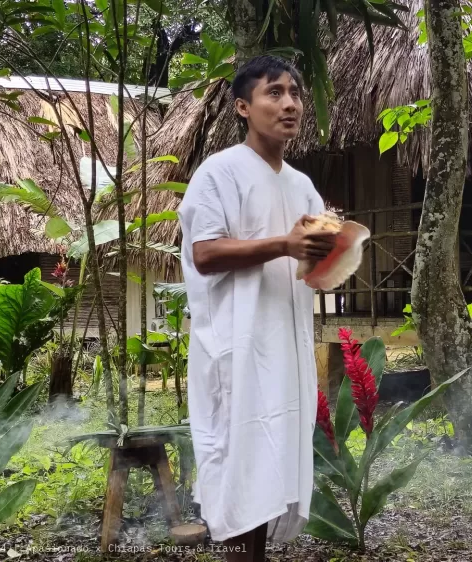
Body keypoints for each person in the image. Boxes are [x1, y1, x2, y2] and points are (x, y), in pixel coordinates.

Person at [176, 55, 337, 561]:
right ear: (244, 107)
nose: (289, 104)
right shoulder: (219, 173)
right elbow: (205, 254)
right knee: (240, 462)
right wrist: (285, 245)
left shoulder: (301, 185)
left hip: (286, 349)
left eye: (295, 93)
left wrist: (333, 245)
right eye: (274, 93)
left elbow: (312, 266)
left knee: (275, 464)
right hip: (238, 345)